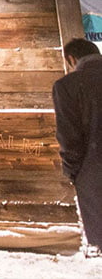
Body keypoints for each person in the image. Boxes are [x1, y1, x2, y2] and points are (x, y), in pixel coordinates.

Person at [53, 37, 102, 256]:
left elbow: (69, 135)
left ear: (72, 58)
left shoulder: (67, 86)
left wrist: (72, 170)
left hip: (94, 171)